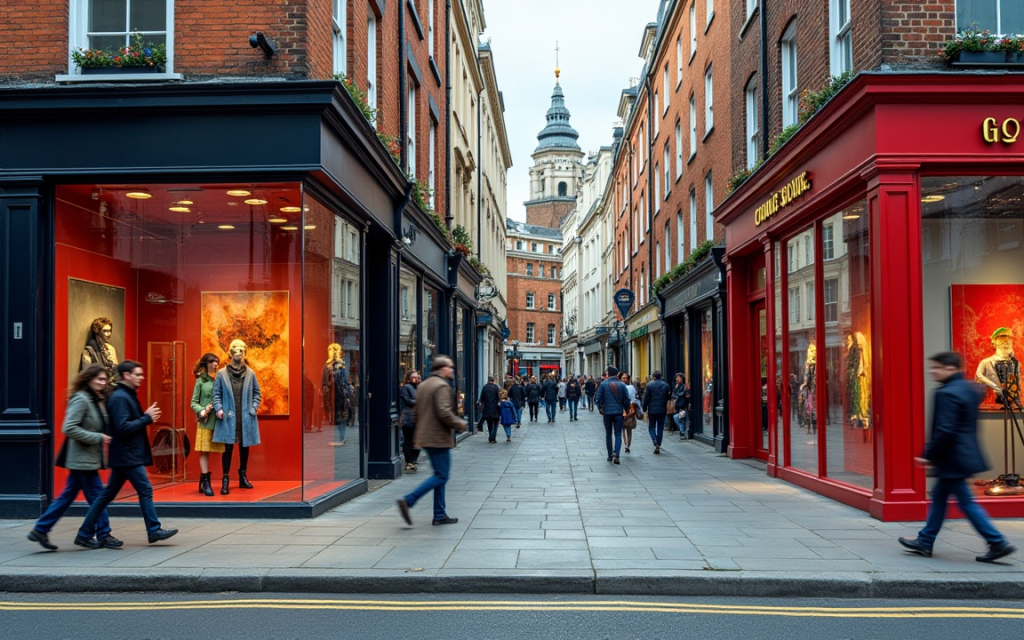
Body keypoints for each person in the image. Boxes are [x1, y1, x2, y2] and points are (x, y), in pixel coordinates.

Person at [898, 352, 1017, 563]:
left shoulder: (946, 393)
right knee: (940, 498)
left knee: (966, 503)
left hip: (952, 457)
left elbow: (945, 430)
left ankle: (997, 542)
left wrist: (929, 455)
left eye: (937, 367)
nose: (932, 371)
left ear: (951, 368)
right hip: (963, 454)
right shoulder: (969, 389)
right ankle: (925, 540)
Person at [76, 361, 177, 547]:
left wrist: (145, 418)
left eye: (141, 374)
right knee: (144, 490)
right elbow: (123, 427)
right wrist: (146, 418)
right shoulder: (120, 397)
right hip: (127, 455)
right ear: (126, 375)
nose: (141, 378)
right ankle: (153, 529)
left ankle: (84, 533)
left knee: (107, 495)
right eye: (137, 374)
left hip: (124, 455)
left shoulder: (125, 395)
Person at [27, 365, 120, 551]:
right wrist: (97, 437)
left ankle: (41, 529)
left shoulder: (95, 399)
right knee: (98, 497)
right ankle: (102, 534)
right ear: (89, 379)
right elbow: (69, 427)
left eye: (104, 379)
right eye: (99, 379)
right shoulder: (81, 399)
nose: (103, 382)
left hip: (86, 458)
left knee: (68, 496)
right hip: (82, 459)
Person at [397, 355, 466, 526]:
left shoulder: (424, 385)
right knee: (441, 475)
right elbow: (444, 412)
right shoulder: (441, 385)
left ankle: (439, 514)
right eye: (449, 367)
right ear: (442, 369)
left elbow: (417, 412)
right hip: (438, 437)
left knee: (439, 475)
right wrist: (460, 423)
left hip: (426, 436)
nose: (451, 370)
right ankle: (409, 500)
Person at [213, 339, 262, 494]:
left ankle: (242, 475)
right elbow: (216, 394)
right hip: (228, 418)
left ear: (245, 352)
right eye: (235, 348)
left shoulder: (250, 373)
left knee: (244, 447)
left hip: (245, 417)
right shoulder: (221, 374)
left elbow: (257, 393)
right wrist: (219, 409)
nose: (238, 352)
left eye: (241, 349)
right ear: (230, 352)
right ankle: (225, 478)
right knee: (227, 448)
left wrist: (253, 408)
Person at [190, 353, 224, 497]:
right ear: (206, 363)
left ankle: (208, 480)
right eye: (212, 362)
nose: (215, 364)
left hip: (219, 421)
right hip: (206, 420)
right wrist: (202, 410)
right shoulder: (201, 381)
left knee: (222, 449)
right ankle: (205, 480)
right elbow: (193, 402)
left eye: (216, 362)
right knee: (204, 451)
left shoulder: (220, 379)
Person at [595, 366, 628, 464]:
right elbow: (626, 399)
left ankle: (610, 455)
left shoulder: (603, 384)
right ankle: (616, 454)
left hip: (607, 412)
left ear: (608, 374)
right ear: (617, 374)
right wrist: (626, 409)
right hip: (619, 412)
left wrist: (600, 408)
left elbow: (598, 398)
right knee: (618, 434)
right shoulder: (622, 384)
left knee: (608, 433)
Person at [642, 370, 672, 455]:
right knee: (660, 427)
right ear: (661, 376)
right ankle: (659, 443)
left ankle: (654, 441)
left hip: (652, 409)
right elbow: (669, 398)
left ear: (653, 376)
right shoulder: (666, 385)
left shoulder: (649, 385)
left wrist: (644, 408)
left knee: (651, 426)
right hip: (662, 409)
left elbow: (646, 398)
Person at [400, 370, 421, 473]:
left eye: (418, 377)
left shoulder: (420, 387)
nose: (417, 379)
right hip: (409, 417)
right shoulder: (406, 387)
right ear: (408, 378)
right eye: (414, 377)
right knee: (409, 440)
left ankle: (412, 461)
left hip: (418, 417)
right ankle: (410, 462)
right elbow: (407, 400)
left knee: (417, 441)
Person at [619, 372, 639, 453]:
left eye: (625, 378)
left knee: (629, 427)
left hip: (630, 409)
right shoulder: (619, 386)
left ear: (628, 379)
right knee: (623, 427)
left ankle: (628, 444)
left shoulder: (631, 387)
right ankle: (626, 444)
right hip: (622, 408)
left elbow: (634, 399)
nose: (624, 379)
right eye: (623, 378)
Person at [479, 375, 502, 443]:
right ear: (494, 380)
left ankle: (490, 435)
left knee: (489, 423)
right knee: (495, 423)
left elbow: (482, 398)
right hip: (495, 408)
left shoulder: (485, 387)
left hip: (487, 408)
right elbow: (500, 398)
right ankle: (492, 437)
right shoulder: (496, 387)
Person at [671, 373, 691, 439]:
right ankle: (681, 431)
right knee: (677, 418)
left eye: (679, 377)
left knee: (681, 418)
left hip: (682, 404)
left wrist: (676, 396)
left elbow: (683, 393)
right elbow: (673, 394)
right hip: (677, 404)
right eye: (677, 377)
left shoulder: (684, 386)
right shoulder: (676, 386)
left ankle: (682, 432)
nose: (678, 379)